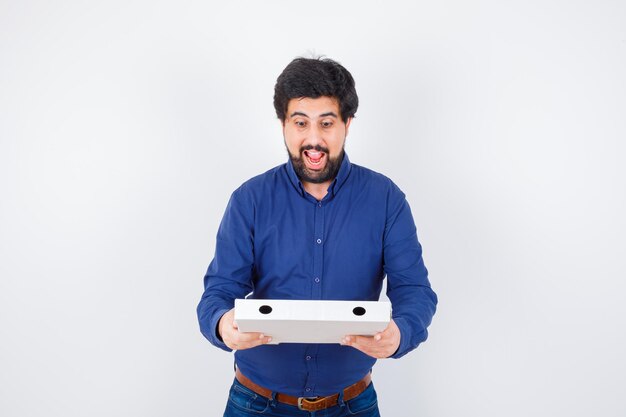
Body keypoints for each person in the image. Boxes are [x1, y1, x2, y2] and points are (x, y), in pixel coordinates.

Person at [197, 56, 438, 416]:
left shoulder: (386, 199)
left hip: (352, 404)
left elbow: (416, 291)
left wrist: (400, 332)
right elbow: (217, 293)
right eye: (300, 123)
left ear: (347, 124)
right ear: (283, 125)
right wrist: (222, 324)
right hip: (256, 403)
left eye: (326, 123)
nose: (314, 139)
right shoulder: (249, 200)